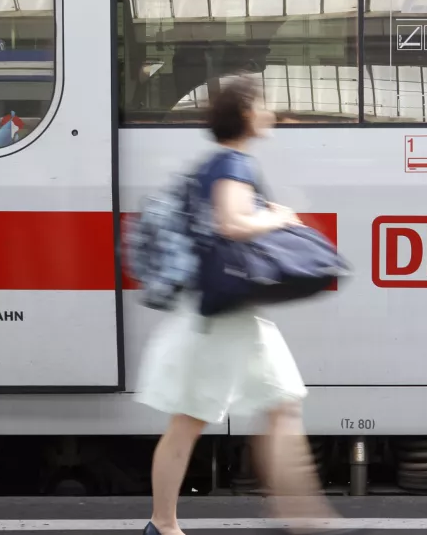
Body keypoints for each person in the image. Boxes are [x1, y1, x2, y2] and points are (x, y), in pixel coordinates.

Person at [136, 75, 340, 535]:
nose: (272, 113)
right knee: (193, 419)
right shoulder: (233, 163)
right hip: (220, 317)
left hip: (229, 314)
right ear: (247, 112)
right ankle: (163, 525)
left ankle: (304, 521)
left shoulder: (218, 163)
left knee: (281, 403)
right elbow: (230, 222)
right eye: (265, 104)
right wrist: (277, 216)